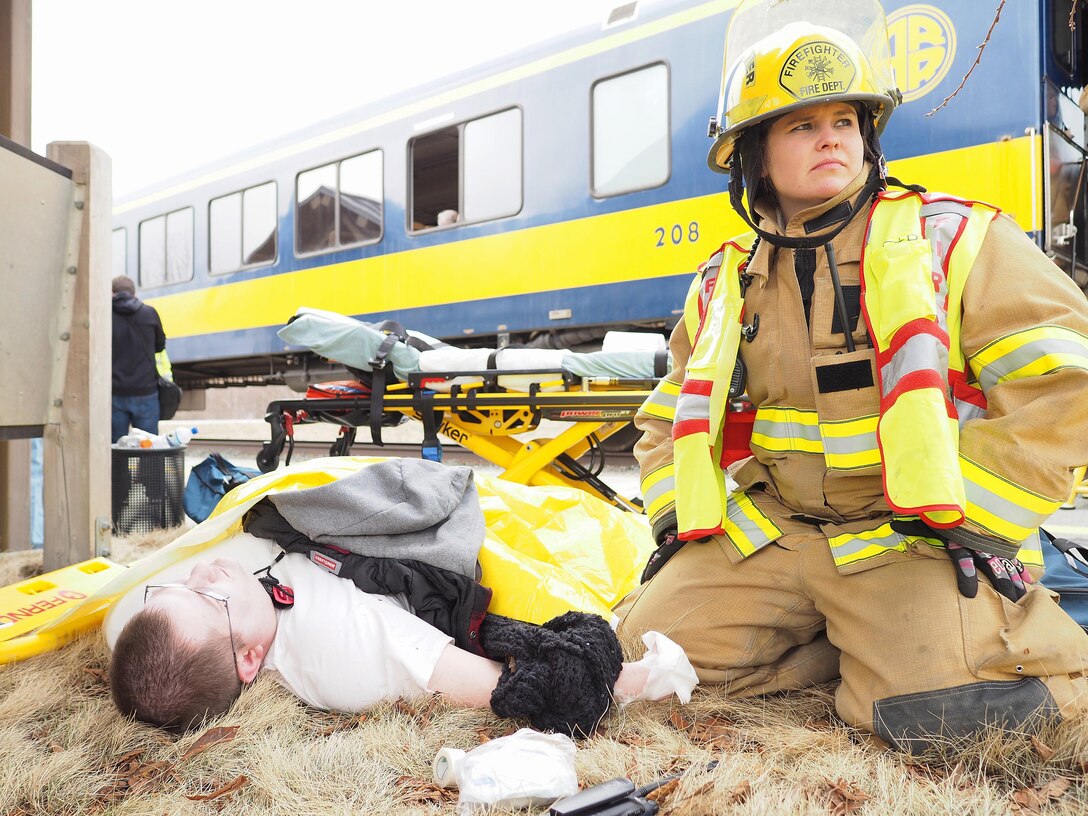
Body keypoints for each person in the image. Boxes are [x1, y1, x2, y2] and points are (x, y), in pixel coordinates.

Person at [616, 0, 1088, 754]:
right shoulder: (724, 279)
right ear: (752, 156)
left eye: (845, 121)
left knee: (958, 718)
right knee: (639, 669)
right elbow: (668, 415)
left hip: (913, 536)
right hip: (775, 535)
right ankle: (848, 642)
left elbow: (1067, 383)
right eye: (802, 124)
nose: (830, 136)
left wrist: (976, 516)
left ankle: (900, 643)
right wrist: (679, 523)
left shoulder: (955, 238)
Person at [107, 532, 691, 734]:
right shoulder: (341, 648)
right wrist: (630, 680)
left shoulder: (168, 627)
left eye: (177, 588)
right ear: (250, 659)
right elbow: (489, 684)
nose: (201, 572)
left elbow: (120, 617)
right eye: (208, 596)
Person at [111, 275, 166, 443]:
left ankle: (118, 471)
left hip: (115, 393)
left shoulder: (104, 316)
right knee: (148, 447)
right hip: (146, 392)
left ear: (113, 293)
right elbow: (160, 346)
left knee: (115, 447)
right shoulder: (149, 313)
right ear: (134, 293)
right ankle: (145, 470)